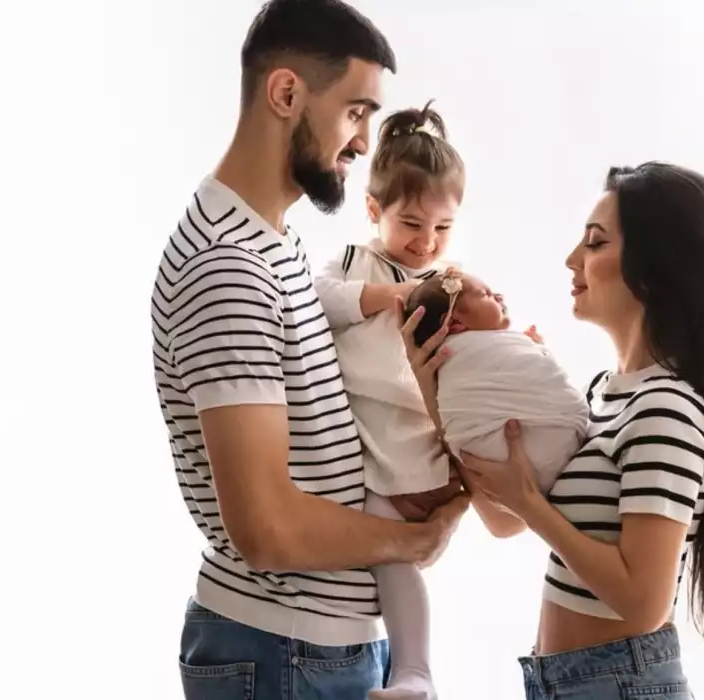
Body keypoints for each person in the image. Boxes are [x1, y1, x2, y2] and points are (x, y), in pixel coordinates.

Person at [149, 2, 469, 699]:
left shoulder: (274, 243)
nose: (364, 143)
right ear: (287, 93)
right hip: (284, 651)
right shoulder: (228, 267)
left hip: (306, 649)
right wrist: (413, 542)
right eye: (356, 111)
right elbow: (265, 528)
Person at [397, 162, 704, 699]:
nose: (572, 259)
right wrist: (435, 391)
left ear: (656, 266)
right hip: (568, 683)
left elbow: (642, 603)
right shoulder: (607, 395)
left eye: (595, 243)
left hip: (619, 686)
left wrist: (535, 508)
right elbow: (504, 517)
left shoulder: (667, 409)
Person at [311, 101, 468, 700]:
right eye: (411, 224)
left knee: (393, 553)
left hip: (421, 443)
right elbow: (316, 299)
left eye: (443, 228)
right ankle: (413, 673)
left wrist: (508, 332)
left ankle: (415, 671)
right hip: (373, 454)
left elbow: (480, 337)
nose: (427, 243)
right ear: (374, 210)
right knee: (389, 556)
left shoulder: (447, 281)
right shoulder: (356, 264)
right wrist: (381, 297)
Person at [403, 268, 589, 493]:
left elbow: (522, 373)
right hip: (518, 456)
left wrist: (529, 347)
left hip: (512, 472)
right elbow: (535, 369)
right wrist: (534, 349)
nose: (499, 296)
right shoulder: (457, 358)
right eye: (487, 294)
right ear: (453, 322)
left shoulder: (479, 351)